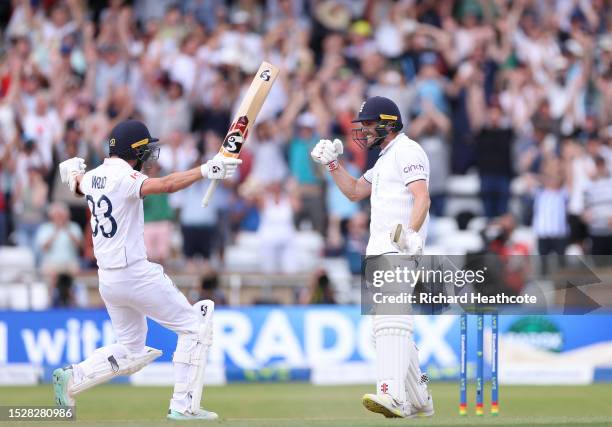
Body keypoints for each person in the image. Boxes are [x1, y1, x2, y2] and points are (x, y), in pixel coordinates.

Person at [53, 120, 241, 420]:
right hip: (134, 273)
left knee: (132, 348)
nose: (150, 155)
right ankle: (184, 406)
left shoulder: (92, 177)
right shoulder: (125, 177)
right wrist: (206, 170)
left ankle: (73, 377)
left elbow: (77, 184)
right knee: (195, 326)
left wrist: (73, 172)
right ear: (134, 150)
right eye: (146, 149)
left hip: (108, 280)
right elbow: (164, 185)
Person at [311, 96, 434, 418]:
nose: (363, 131)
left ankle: (392, 394)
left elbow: (422, 196)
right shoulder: (384, 160)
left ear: (388, 124)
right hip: (379, 248)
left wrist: (412, 233)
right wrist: (332, 165)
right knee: (386, 326)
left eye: (368, 125)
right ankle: (419, 396)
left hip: (398, 246)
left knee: (391, 321)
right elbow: (353, 191)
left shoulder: (408, 151)